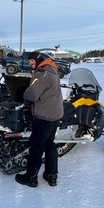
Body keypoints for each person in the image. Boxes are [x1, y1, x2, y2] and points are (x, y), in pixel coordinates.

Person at [15, 51, 64, 188]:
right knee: (49, 144)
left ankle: (31, 177)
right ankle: (51, 175)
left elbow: (31, 95)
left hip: (44, 116)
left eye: (31, 61)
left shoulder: (42, 72)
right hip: (55, 114)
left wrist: (23, 98)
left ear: (38, 60)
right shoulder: (51, 69)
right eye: (28, 61)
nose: (30, 63)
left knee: (36, 146)